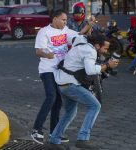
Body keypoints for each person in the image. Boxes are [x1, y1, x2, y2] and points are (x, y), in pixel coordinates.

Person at [45, 34, 119, 150]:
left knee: (70, 113)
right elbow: (90, 71)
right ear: (97, 45)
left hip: (62, 84)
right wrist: (107, 65)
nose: (105, 51)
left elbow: (79, 36)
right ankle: (83, 138)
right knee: (95, 105)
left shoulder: (81, 43)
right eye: (104, 48)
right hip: (70, 85)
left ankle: (54, 140)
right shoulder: (90, 51)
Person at [31, 9, 80, 145]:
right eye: (63, 19)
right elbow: (38, 51)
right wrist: (48, 55)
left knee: (58, 101)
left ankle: (55, 132)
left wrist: (90, 25)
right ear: (55, 19)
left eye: (66, 20)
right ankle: (36, 129)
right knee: (51, 96)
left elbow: (80, 34)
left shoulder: (66, 30)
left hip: (60, 71)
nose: (66, 22)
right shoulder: (44, 31)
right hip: (47, 70)